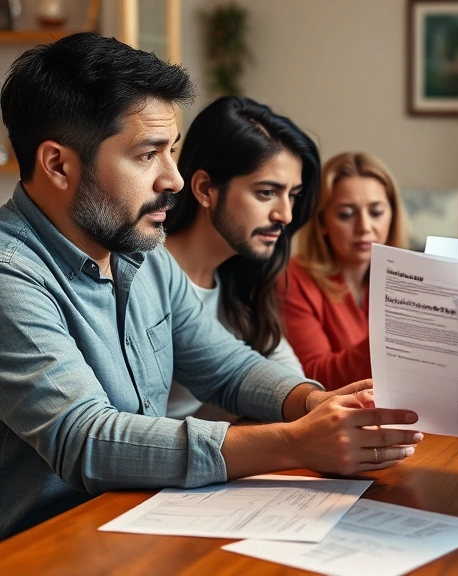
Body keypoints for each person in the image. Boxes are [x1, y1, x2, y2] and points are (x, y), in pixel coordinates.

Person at [0, 33, 421, 540]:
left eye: (171, 152)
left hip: (138, 525)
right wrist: (294, 442)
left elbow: (229, 367)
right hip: (44, 547)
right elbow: (85, 439)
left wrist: (313, 403)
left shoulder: (143, 255)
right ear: (58, 164)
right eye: (147, 155)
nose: (173, 179)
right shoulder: (12, 273)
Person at [163, 96, 316, 419]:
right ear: (205, 189)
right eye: (266, 193)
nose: (286, 215)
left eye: (293, 195)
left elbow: (287, 376)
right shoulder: (144, 273)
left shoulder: (243, 278)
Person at [279, 152, 408, 388]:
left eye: (376, 212)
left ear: (393, 215)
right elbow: (314, 378)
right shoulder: (292, 280)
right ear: (322, 222)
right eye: (346, 214)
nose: (364, 227)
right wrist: (390, 340)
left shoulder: (405, 279)